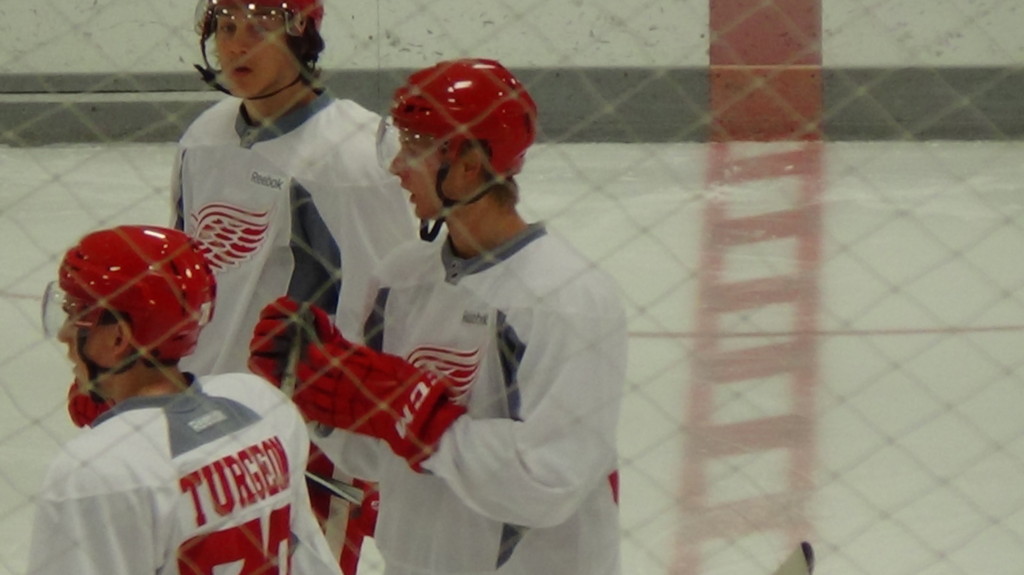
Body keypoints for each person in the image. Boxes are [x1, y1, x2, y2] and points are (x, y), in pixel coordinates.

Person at [249, 59, 628, 575]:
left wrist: (419, 415)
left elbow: (549, 484)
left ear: (469, 163)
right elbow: (372, 459)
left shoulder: (567, 298)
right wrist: (319, 393)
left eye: (416, 147)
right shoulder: (401, 280)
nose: (395, 166)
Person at [30, 225, 342, 575]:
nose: (63, 333)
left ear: (119, 337)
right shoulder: (261, 408)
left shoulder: (98, 471)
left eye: (76, 313)